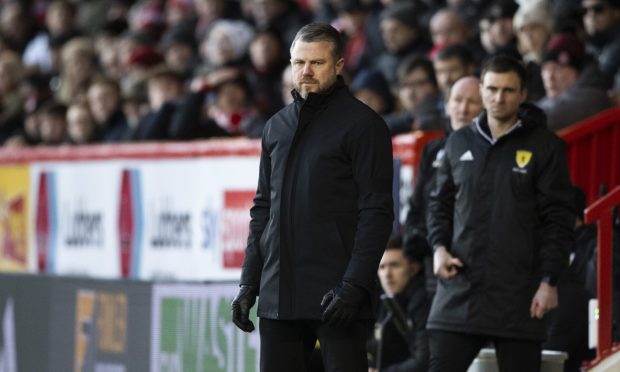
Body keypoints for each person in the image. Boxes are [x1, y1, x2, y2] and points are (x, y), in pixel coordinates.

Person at [231, 23, 394, 372]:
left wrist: (354, 285)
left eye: (316, 63)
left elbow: (376, 212)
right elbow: (263, 210)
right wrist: (249, 283)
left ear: (338, 65)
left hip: (336, 296)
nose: (305, 71)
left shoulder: (364, 126)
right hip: (278, 295)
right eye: (298, 62)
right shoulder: (275, 126)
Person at [426, 55, 574, 372]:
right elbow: (439, 205)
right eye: (492, 89)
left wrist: (549, 280)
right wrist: (438, 248)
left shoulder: (546, 147)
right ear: (481, 89)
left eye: (508, 90)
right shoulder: (457, 141)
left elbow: (558, 220)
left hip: (519, 294)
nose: (498, 98)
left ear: (522, 94)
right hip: (459, 290)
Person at [404, 76, 483, 296]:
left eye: (472, 102)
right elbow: (416, 205)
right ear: (447, 106)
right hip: (432, 264)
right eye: (457, 100)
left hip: (472, 264)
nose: (463, 109)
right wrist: (415, 245)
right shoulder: (433, 149)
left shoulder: (490, 152)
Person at [368, 234, 431, 372]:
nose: (387, 274)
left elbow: (424, 361)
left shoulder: (422, 301)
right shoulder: (385, 299)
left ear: (413, 269)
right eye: (382, 267)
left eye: (395, 265)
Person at [537, 32, 613, 131]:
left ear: (577, 71)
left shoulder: (593, 96)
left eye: (558, 69)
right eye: (545, 69)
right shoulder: (551, 99)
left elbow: (548, 117)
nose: (549, 77)